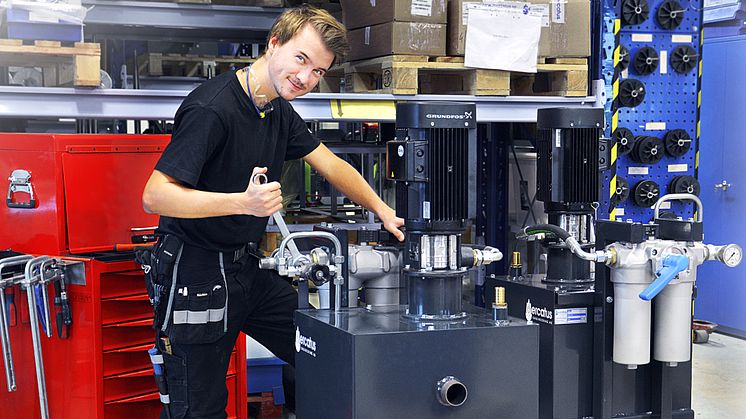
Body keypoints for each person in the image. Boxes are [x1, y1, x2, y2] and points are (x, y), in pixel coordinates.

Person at [141, 5, 404, 418]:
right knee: (200, 409)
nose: (306, 78)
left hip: (246, 269)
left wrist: (383, 209)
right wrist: (241, 203)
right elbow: (155, 195)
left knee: (321, 346)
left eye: (318, 71)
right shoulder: (212, 109)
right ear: (274, 43)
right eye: (302, 60)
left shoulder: (276, 108)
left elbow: (330, 164)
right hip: (196, 273)